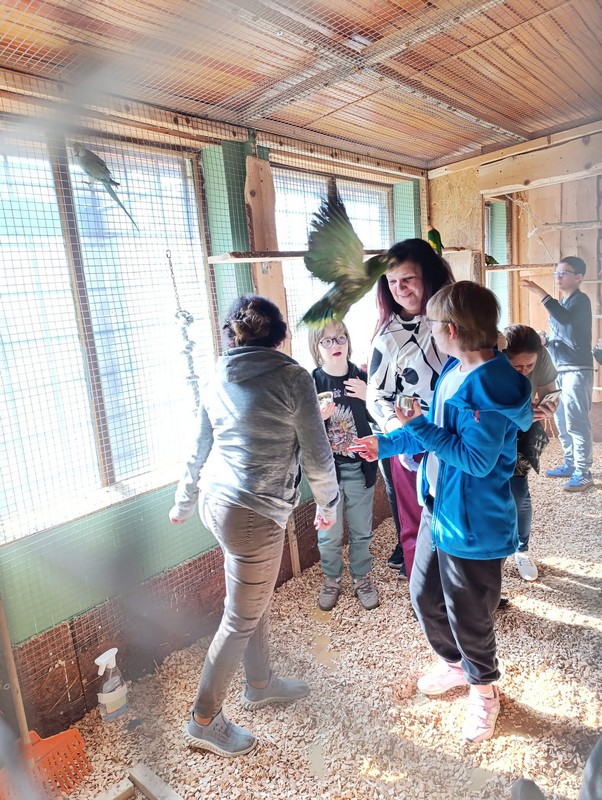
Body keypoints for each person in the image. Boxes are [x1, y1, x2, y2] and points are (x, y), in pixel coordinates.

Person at [351, 282, 532, 743]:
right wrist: (387, 443)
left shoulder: (489, 389)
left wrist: (416, 426)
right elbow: (433, 428)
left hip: (473, 524)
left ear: (451, 330)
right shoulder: (455, 369)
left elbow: (476, 460)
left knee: (469, 614)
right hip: (441, 507)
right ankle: (455, 664)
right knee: (424, 596)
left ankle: (484, 690)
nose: (427, 330)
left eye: (431, 324)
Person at [169, 295, 339, 758]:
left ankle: (260, 683)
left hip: (217, 504)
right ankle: (204, 719)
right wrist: (329, 504)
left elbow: (199, 445)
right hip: (253, 513)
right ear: (281, 336)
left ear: (232, 337)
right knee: (240, 617)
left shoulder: (216, 374)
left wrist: (183, 500)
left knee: (252, 597)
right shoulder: (294, 377)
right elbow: (318, 454)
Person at [367, 238, 454, 580]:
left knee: (462, 514)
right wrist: (396, 432)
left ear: (428, 275)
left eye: (408, 279)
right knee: (418, 522)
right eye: (392, 282)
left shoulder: (455, 316)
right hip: (412, 440)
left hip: (459, 435)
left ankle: (466, 590)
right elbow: (377, 395)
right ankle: (425, 592)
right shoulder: (388, 336)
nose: (400, 289)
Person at [309, 320, 379, 612]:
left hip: (360, 467)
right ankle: (332, 578)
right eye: (327, 341)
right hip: (327, 474)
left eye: (340, 338)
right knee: (329, 533)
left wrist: (369, 396)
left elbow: (383, 416)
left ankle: (361, 577)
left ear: (348, 341)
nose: (335, 345)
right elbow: (301, 431)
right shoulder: (311, 383)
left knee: (362, 529)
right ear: (317, 347)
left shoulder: (361, 377)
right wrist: (318, 417)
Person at [521, 257, 594, 491]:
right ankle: (570, 463)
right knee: (561, 419)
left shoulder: (580, 301)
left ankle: (583, 471)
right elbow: (564, 334)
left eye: (564, 273)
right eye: (557, 273)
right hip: (559, 368)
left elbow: (565, 320)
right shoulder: (563, 303)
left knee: (576, 420)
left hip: (577, 369)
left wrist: (539, 291)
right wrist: (546, 340)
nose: (558, 277)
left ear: (578, 277)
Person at [504, 324, 558, 582]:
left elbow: (550, 393)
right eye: (518, 367)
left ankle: (521, 549)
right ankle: (491, 552)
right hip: (492, 432)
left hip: (524, 432)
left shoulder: (542, 355)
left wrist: (549, 407)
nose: (525, 371)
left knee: (519, 493)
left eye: (530, 366)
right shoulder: (492, 355)